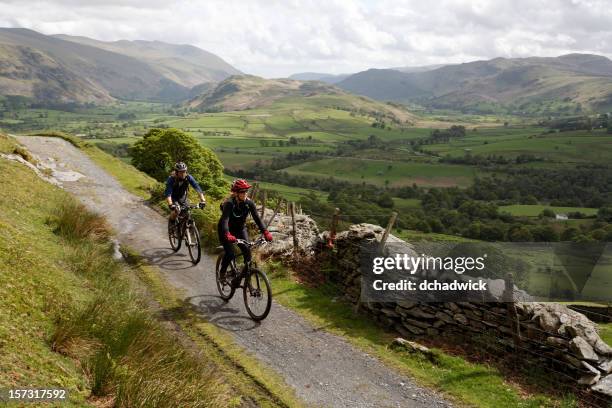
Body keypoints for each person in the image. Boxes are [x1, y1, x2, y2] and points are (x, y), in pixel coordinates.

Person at [218, 179, 273, 286]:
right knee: (230, 254)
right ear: (236, 193)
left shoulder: (249, 203)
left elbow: (257, 218)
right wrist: (227, 234)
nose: (245, 194)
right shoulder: (229, 204)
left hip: (240, 229)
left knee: (247, 252)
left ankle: (241, 277)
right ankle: (222, 273)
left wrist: (265, 232)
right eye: (242, 192)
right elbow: (225, 220)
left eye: (246, 191)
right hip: (225, 230)